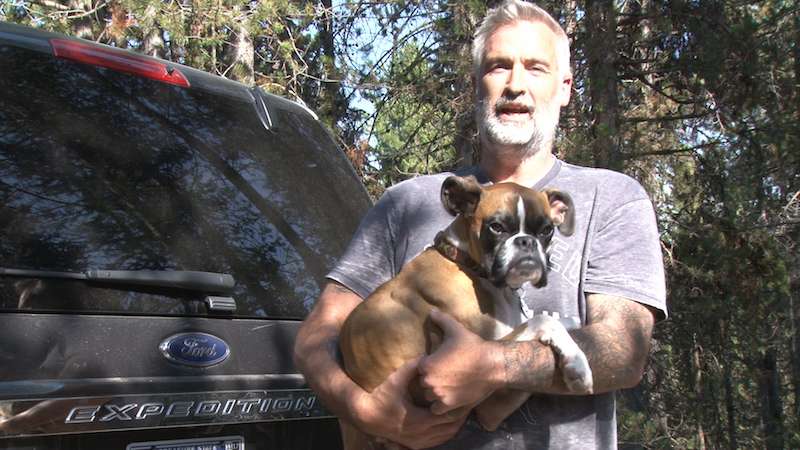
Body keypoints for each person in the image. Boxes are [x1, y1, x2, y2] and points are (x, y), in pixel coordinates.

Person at [293, 1, 667, 448]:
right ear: (476, 85)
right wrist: (363, 410)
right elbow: (315, 338)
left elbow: (624, 351)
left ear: (565, 87)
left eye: (535, 68)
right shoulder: (406, 202)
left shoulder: (611, 197)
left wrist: (494, 365)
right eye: (498, 67)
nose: (515, 85)